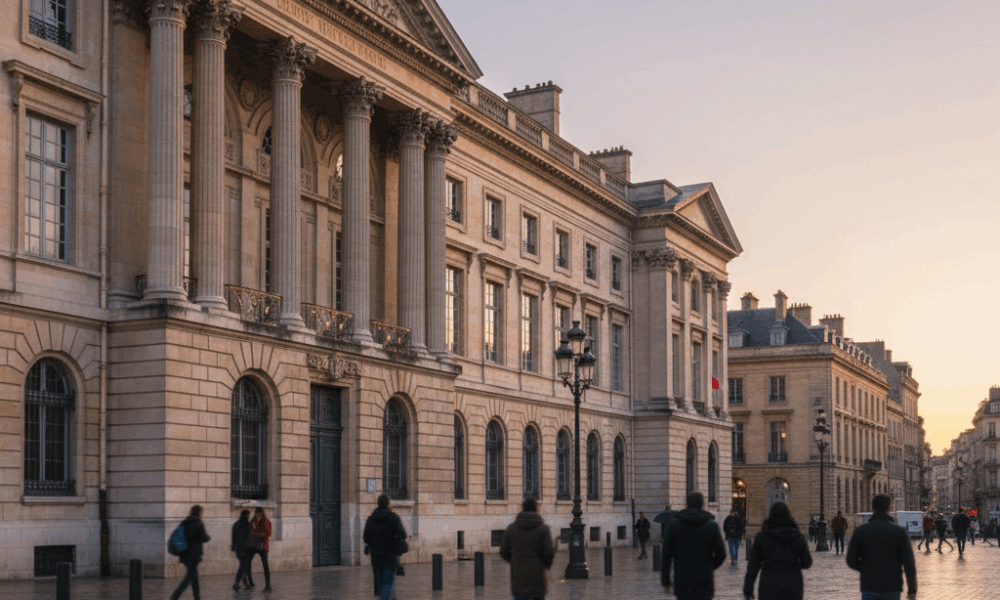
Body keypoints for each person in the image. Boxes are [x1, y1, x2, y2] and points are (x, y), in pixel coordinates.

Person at [846, 494, 917, 600]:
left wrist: (866, 568)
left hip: (869, 585)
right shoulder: (899, 532)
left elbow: (850, 560)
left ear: (872, 507)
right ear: (889, 507)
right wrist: (912, 589)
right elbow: (909, 563)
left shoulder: (860, 531)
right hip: (892, 586)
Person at [661, 492, 727, 600]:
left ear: (687, 503)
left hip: (682, 580)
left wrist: (666, 581)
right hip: (704, 581)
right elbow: (722, 554)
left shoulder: (673, 526)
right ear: (702, 504)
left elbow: (666, 557)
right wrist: (709, 567)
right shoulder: (712, 526)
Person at [743, 502, 812, 600]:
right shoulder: (798, 536)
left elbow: (753, 566)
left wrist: (748, 589)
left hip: (769, 584)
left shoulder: (762, 537)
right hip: (793, 584)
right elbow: (807, 563)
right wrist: (794, 564)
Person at [499, 497, 556, 600]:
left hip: (518, 578)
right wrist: (545, 564)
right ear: (536, 508)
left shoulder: (512, 528)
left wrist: (514, 561)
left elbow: (503, 551)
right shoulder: (543, 529)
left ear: (523, 508)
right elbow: (549, 552)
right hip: (537, 577)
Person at [363, 494, 407, 600]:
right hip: (390, 556)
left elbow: (365, 538)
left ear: (378, 503)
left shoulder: (371, 519)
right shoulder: (394, 518)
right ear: (388, 503)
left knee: (382, 586)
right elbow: (403, 535)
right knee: (388, 585)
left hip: (376, 557)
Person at [169, 505, 211, 600]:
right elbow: (204, 537)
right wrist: (208, 537)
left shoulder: (185, 522)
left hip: (184, 552)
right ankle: (176, 594)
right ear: (199, 513)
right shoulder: (198, 523)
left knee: (193, 575)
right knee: (190, 576)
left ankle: (197, 596)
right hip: (194, 554)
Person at [245, 507, 273, 591]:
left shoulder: (267, 522)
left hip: (262, 546)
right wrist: (252, 530)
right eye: (256, 514)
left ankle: (268, 585)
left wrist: (259, 534)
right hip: (253, 545)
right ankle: (248, 582)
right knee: (247, 561)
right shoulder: (253, 521)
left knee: (265, 566)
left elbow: (268, 533)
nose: (258, 516)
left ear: (262, 514)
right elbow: (249, 530)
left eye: (259, 515)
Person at [230, 509, 252, 591]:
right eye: (248, 515)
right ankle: (236, 583)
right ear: (247, 516)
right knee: (243, 566)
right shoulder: (248, 525)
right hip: (246, 549)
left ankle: (245, 582)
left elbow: (233, 537)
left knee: (244, 566)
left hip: (238, 549)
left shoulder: (235, 524)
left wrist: (233, 546)